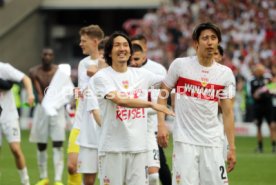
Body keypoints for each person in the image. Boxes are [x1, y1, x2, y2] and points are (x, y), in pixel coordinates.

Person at [157, 22, 236, 185]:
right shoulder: (180, 65)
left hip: (213, 142)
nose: (210, 42)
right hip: (185, 141)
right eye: (205, 38)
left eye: (213, 38)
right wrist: (161, 125)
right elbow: (163, 94)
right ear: (196, 43)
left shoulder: (225, 74)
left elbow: (228, 113)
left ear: (218, 43)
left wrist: (232, 148)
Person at [91, 31, 174, 185]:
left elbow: (170, 81)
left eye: (125, 45)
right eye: (117, 45)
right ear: (109, 51)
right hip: (112, 149)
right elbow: (119, 100)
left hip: (139, 148)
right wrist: (150, 104)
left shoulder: (142, 74)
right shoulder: (102, 77)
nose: (122, 49)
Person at [67, 24, 104, 185]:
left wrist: (98, 72)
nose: (81, 44)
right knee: (72, 166)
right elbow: (83, 90)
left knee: (102, 173)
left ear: (95, 41)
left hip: (101, 123)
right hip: (81, 122)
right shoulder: (84, 63)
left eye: (84, 40)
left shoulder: (111, 61)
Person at [130, 41, 170, 185]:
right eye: (132, 59)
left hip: (148, 131)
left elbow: (163, 92)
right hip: (128, 133)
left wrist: (161, 124)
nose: (134, 63)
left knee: (153, 176)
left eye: (137, 59)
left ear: (143, 58)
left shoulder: (150, 74)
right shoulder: (121, 77)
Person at [29, 48, 66, 185]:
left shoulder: (60, 72)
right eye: (45, 54)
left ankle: (57, 179)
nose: (47, 57)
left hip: (57, 108)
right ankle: (43, 177)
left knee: (58, 143)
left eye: (50, 54)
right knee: (41, 144)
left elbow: (64, 90)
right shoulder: (34, 71)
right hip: (42, 109)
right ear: (41, 55)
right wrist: (43, 100)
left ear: (53, 57)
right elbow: (39, 93)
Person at [0, 61, 34, 185]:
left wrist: (30, 94)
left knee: (15, 149)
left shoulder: (4, 68)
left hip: (8, 115)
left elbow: (25, 78)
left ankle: (25, 181)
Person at [250, 63, 274, 153]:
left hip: (268, 106)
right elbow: (254, 95)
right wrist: (262, 93)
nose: (259, 72)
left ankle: (273, 146)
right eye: (258, 70)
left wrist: (261, 92)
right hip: (258, 107)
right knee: (258, 127)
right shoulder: (252, 81)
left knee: (271, 126)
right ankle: (260, 147)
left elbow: (272, 91)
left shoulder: (268, 79)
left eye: (261, 70)